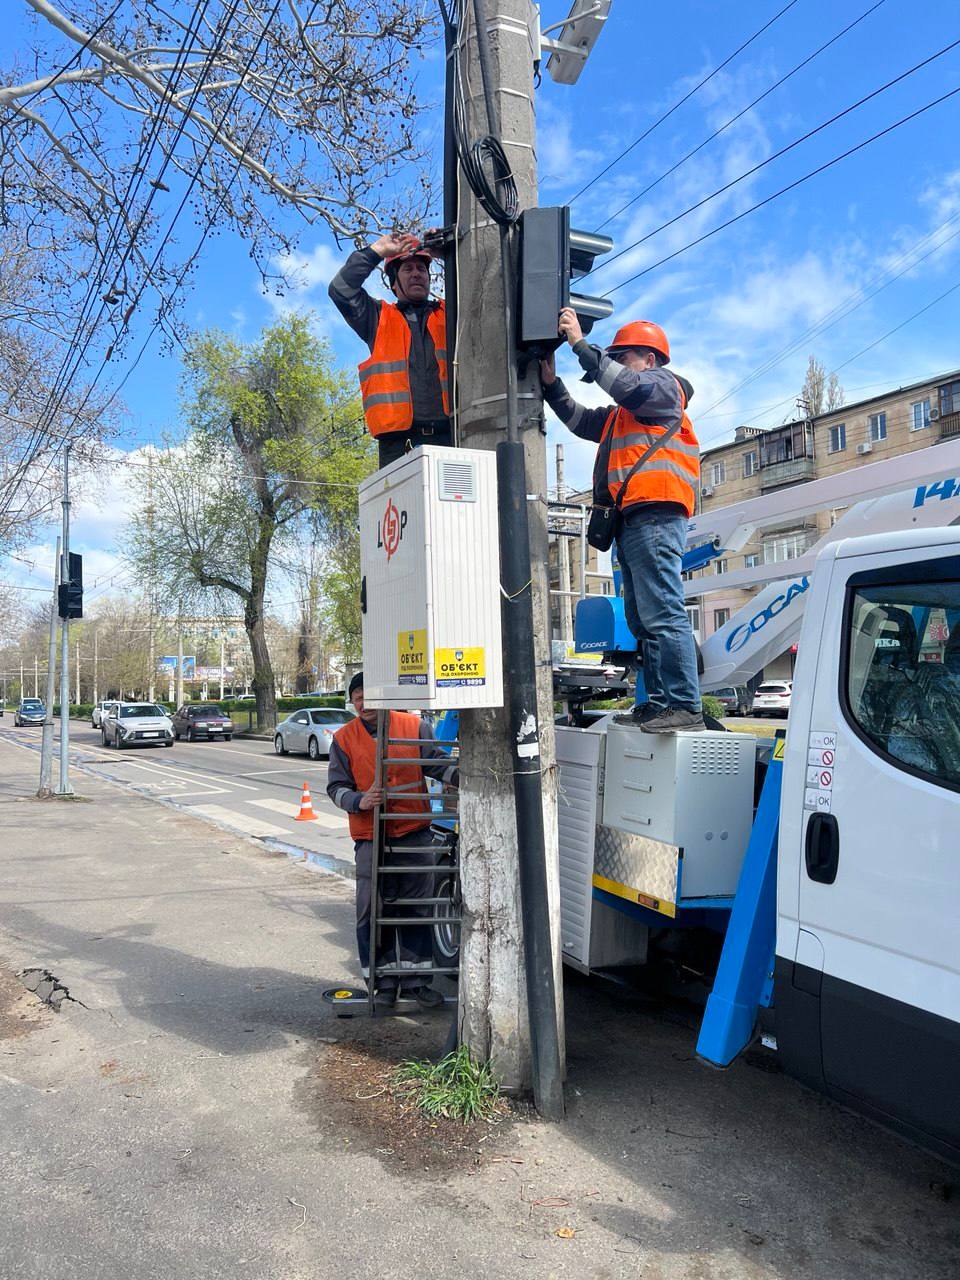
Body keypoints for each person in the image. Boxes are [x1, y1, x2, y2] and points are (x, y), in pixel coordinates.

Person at [540, 308, 704, 733]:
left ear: (649, 360)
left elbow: (625, 385)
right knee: (641, 618)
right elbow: (579, 420)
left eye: (622, 356)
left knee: (663, 612)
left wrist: (580, 345)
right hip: (633, 521)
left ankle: (685, 704)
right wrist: (551, 385)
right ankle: (660, 704)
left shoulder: (664, 390)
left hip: (656, 513)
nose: (615, 365)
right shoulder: (622, 416)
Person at [326, 672, 458, 1008]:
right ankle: (382, 984)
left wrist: (462, 775)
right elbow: (335, 788)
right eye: (356, 696)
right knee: (372, 909)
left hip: (413, 833)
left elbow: (435, 763)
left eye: (368, 695)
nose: (362, 702)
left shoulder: (413, 727)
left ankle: (416, 982)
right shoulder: (343, 739)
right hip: (371, 836)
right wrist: (359, 801)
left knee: (416, 907)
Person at [328, 231, 451, 468]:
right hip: (397, 445)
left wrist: (448, 256)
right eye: (407, 269)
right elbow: (340, 289)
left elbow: (481, 292)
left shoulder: (450, 314)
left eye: (421, 269)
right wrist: (378, 252)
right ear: (394, 283)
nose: (416, 273)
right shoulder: (377, 317)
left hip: (450, 438)